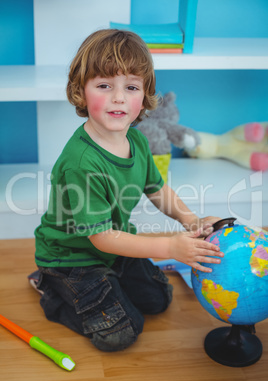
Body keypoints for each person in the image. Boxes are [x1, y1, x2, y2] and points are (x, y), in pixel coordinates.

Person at [30, 29, 224, 352]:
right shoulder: (81, 162)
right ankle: (52, 291)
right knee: (122, 332)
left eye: (131, 87)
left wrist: (191, 221)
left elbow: (156, 188)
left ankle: (107, 288)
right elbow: (101, 236)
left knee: (160, 298)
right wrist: (170, 248)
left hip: (114, 250)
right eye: (104, 85)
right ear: (81, 91)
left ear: (144, 94)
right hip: (72, 259)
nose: (118, 97)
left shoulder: (137, 140)